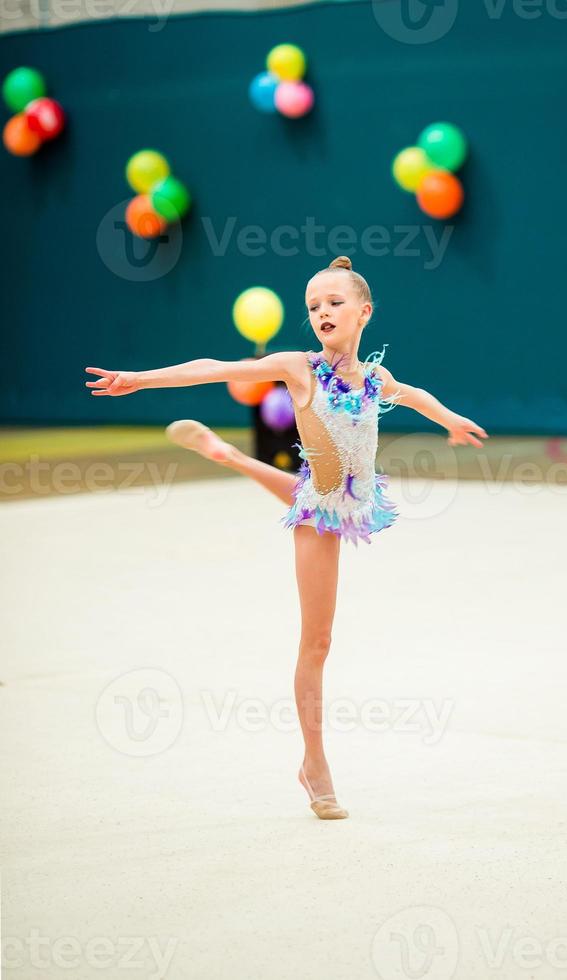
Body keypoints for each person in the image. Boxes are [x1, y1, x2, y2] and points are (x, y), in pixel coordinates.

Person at [84, 255, 487, 820]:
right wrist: (142, 380)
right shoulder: (298, 367)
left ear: (363, 312)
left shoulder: (374, 378)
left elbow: (415, 394)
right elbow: (217, 368)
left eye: (334, 303)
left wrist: (450, 420)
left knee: (306, 491)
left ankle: (228, 455)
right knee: (317, 641)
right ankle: (314, 764)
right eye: (313, 306)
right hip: (319, 514)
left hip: (347, 502)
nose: (322, 312)